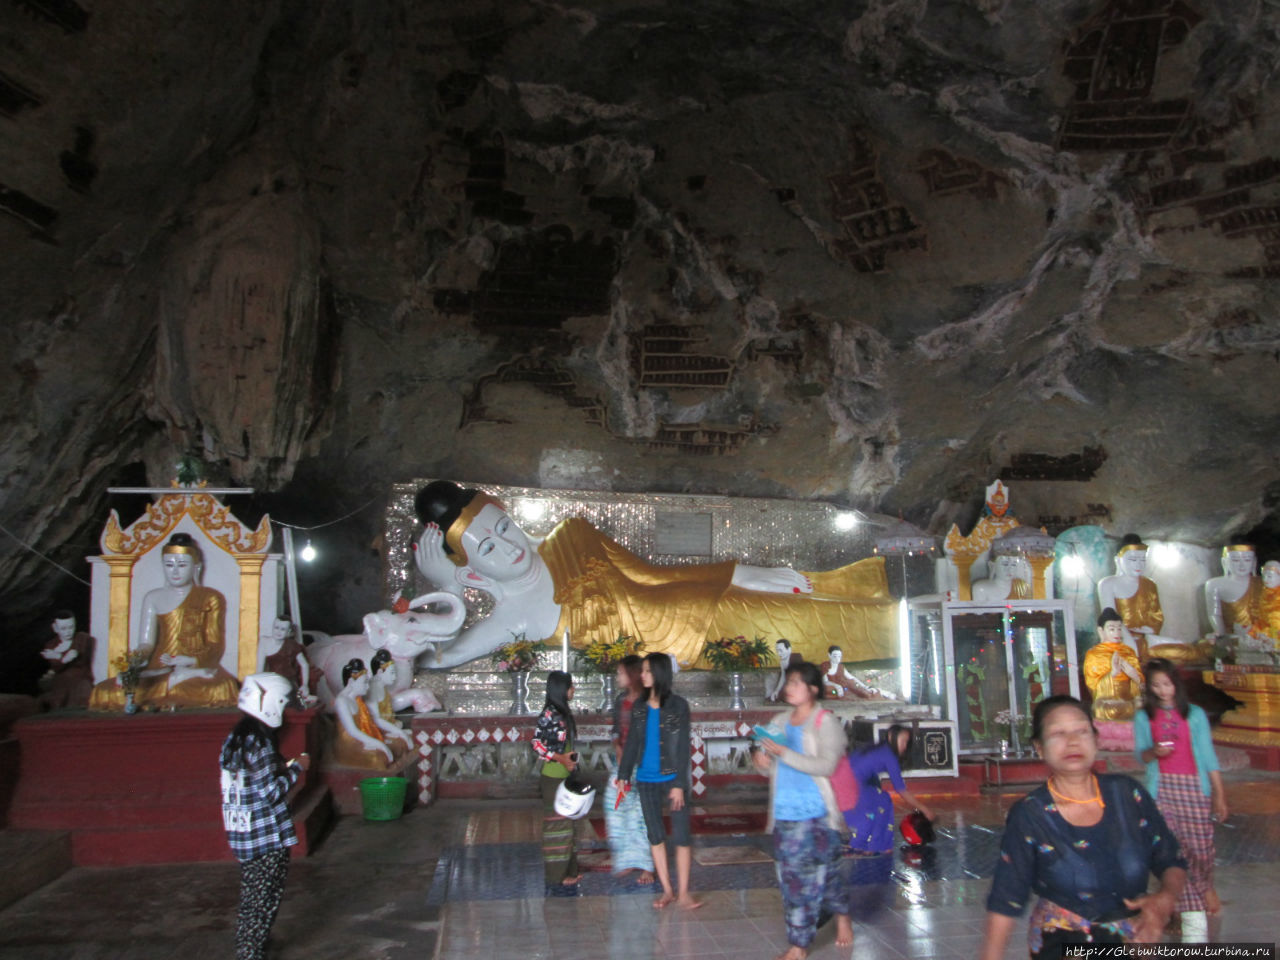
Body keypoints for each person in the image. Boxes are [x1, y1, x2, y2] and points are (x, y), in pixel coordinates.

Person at [413, 480, 898, 669]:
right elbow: (439, 659)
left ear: (510, 514)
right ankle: (894, 631)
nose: (510, 547)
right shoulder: (512, 617)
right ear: (475, 569)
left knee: (799, 591)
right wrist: (449, 586)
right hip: (696, 644)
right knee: (807, 625)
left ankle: (888, 608)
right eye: (489, 550)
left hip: (700, 597)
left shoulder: (572, 534)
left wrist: (742, 572)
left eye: (503, 527)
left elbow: (652, 575)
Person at [979, 695, 1186, 959]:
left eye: (1081, 731)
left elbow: (1170, 857)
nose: (1073, 741)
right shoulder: (1031, 814)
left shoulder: (1127, 795)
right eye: (1058, 733)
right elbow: (1007, 898)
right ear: (1039, 748)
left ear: (1096, 740)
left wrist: (1165, 898)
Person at [752, 661, 854, 960]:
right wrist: (762, 761)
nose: (789, 688)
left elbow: (826, 765)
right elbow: (767, 761)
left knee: (829, 874)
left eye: (796, 683)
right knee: (793, 881)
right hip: (786, 812)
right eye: (789, 682)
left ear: (812, 689)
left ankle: (843, 915)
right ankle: (799, 945)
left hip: (819, 812)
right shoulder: (780, 721)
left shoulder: (826, 722)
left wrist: (786, 753)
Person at [1134, 658, 1227, 942]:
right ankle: (1195, 933)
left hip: (1194, 789)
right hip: (1162, 790)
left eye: (1167, 684)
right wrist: (1154, 752)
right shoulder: (1143, 717)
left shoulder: (1195, 715)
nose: (1163, 691)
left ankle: (1205, 884)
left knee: (1201, 849)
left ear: (1176, 684)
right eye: (1156, 686)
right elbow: (1141, 756)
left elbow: (1209, 757)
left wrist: (1219, 795)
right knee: (1176, 854)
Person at [89, 532, 239, 710]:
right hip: (159, 667)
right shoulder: (153, 597)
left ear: (196, 567)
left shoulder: (210, 597)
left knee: (221, 688)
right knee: (106, 691)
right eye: (169, 565)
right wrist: (134, 663)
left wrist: (190, 660)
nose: (175, 571)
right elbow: (146, 642)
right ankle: (169, 685)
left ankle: (174, 683)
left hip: (194, 665)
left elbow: (215, 644)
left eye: (182, 565)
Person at [219, 673, 309, 960]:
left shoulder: (236, 738)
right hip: (265, 838)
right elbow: (272, 792)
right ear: (270, 704)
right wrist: (299, 768)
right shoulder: (260, 743)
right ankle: (249, 953)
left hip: (244, 833)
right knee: (262, 900)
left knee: (254, 898)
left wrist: (282, 766)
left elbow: (253, 780)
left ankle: (252, 947)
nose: (283, 712)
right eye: (282, 706)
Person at [618, 652, 700, 910]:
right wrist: (623, 774)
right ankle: (667, 890)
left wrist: (679, 784)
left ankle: (684, 892)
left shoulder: (678, 706)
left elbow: (682, 748)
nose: (641, 676)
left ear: (660, 674)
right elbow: (632, 743)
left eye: (647, 671)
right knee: (655, 835)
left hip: (672, 779)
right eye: (642, 671)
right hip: (646, 779)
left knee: (682, 836)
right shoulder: (640, 707)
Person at [1098, 535, 1206, 663]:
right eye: (1133, 559)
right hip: (1122, 641)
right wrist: (1130, 640)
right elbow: (1109, 620)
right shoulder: (1108, 584)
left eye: (1142, 559)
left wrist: (1149, 630)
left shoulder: (1149, 585)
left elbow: (1156, 616)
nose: (1139, 564)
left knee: (1186, 649)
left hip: (1147, 638)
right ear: (1118, 560)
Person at [844, 723, 934, 855]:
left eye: (906, 742)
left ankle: (879, 845)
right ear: (892, 736)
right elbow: (901, 789)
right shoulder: (888, 755)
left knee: (884, 800)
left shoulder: (881, 749)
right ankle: (859, 845)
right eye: (902, 741)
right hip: (849, 785)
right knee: (872, 809)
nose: (904, 746)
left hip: (850, 782)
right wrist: (924, 809)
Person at [532, 669, 581, 895]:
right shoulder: (550, 714)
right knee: (557, 826)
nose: (573, 690)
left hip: (564, 776)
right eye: (571, 686)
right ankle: (556, 875)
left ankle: (569, 871)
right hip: (553, 776)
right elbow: (537, 744)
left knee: (569, 824)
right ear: (562, 689)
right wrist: (561, 758)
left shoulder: (562, 712)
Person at [607, 654, 654, 885]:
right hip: (622, 763)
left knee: (642, 814)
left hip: (642, 764)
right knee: (615, 808)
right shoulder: (620, 700)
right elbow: (616, 728)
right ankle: (627, 858)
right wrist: (617, 745)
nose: (618, 677)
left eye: (621, 673)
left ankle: (648, 865)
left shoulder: (647, 701)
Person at [1082, 607, 1144, 721]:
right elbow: (1092, 686)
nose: (1117, 632)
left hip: (1129, 700)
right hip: (1108, 702)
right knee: (1102, 709)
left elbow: (1142, 685)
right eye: (1112, 629)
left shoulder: (1129, 652)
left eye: (1119, 629)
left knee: (1141, 706)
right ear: (1101, 631)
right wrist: (1113, 674)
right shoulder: (1093, 654)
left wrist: (1133, 675)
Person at [330, 659, 394, 768]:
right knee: (377, 758)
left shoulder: (357, 699)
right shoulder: (342, 701)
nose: (368, 687)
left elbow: (370, 721)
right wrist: (380, 745)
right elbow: (352, 731)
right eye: (364, 682)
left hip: (361, 738)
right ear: (351, 682)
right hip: (349, 743)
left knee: (395, 745)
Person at [37, 609, 94, 710]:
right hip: (60, 683)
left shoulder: (82, 638)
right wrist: (63, 659)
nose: (68, 632)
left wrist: (58, 656)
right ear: (55, 628)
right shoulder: (51, 645)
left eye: (71, 627)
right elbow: (57, 667)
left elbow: (77, 656)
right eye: (63, 628)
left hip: (80, 680)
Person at [1204, 543, 1262, 639]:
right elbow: (1214, 614)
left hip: (1261, 637)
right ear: (1224, 562)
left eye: (1247, 560)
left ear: (1254, 562)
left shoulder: (1263, 583)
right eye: (1235, 560)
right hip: (1231, 637)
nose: (1242, 565)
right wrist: (1219, 633)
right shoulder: (1214, 584)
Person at [364, 649, 413, 759]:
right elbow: (376, 719)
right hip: (376, 729)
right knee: (402, 742)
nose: (394, 677)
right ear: (380, 672)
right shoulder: (374, 688)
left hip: (389, 724)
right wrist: (399, 733)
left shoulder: (382, 686)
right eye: (392, 673)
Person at [261, 617, 316, 707]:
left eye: (283, 629)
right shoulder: (264, 642)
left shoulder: (292, 645)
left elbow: (304, 664)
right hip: (273, 681)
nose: (278, 632)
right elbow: (260, 668)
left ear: (288, 632)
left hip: (289, 681)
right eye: (276, 628)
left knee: (295, 702)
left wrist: (304, 685)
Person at [819, 645, 883, 700]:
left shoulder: (841, 667)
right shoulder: (825, 666)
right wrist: (836, 685)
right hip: (832, 689)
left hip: (846, 687)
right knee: (830, 693)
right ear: (829, 655)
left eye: (839, 656)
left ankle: (880, 692)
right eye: (835, 656)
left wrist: (864, 686)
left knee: (865, 694)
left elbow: (852, 678)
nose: (837, 659)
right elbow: (825, 681)